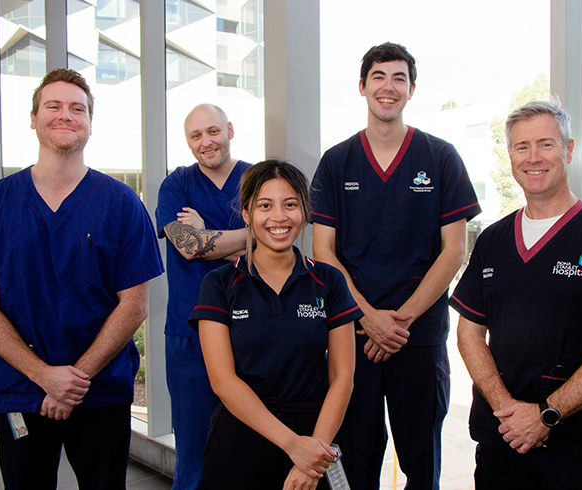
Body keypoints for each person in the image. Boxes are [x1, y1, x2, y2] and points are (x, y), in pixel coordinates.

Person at [0, 68, 164, 489]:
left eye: (77, 109)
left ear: (88, 123)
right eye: (54, 106)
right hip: (21, 390)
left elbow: (133, 305)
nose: (66, 115)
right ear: (33, 118)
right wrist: (43, 376)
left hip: (100, 391)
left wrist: (73, 379)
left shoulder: (121, 204)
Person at [449, 100, 582, 489]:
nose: (533, 158)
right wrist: (506, 410)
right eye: (521, 147)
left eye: (546, 144)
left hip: (581, 453)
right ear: (509, 156)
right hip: (502, 447)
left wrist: (546, 414)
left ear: (569, 149)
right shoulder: (493, 240)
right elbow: (468, 334)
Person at [310, 42, 481, 489]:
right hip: (354, 338)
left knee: (422, 464)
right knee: (356, 462)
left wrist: (399, 322)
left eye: (399, 78)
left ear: (411, 90)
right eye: (379, 77)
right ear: (363, 87)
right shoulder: (336, 162)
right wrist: (368, 317)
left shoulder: (440, 158)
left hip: (418, 337)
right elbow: (322, 253)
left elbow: (454, 251)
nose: (389, 87)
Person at [188, 160, 362, 490]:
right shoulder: (220, 284)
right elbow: (223, 381)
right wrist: (293, 445)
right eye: (265, 206)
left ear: (305, 212)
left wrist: (313, 457)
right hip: (241, 436)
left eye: (291, 205)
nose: (279, 217)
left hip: (316, 436)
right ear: (246, 213)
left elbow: (343, 377)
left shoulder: (328, 281)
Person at [156, 104, 251, 490]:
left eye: (213, 131)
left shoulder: (257, 179)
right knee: (193, 453)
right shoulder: (175, 185)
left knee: (251, 449)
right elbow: (188, 246)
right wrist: (253, 238)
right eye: (196, 136)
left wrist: (206, 236)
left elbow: (280, 242)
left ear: (229, 129)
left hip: (251, 327)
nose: (206, 142)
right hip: (189, 332)